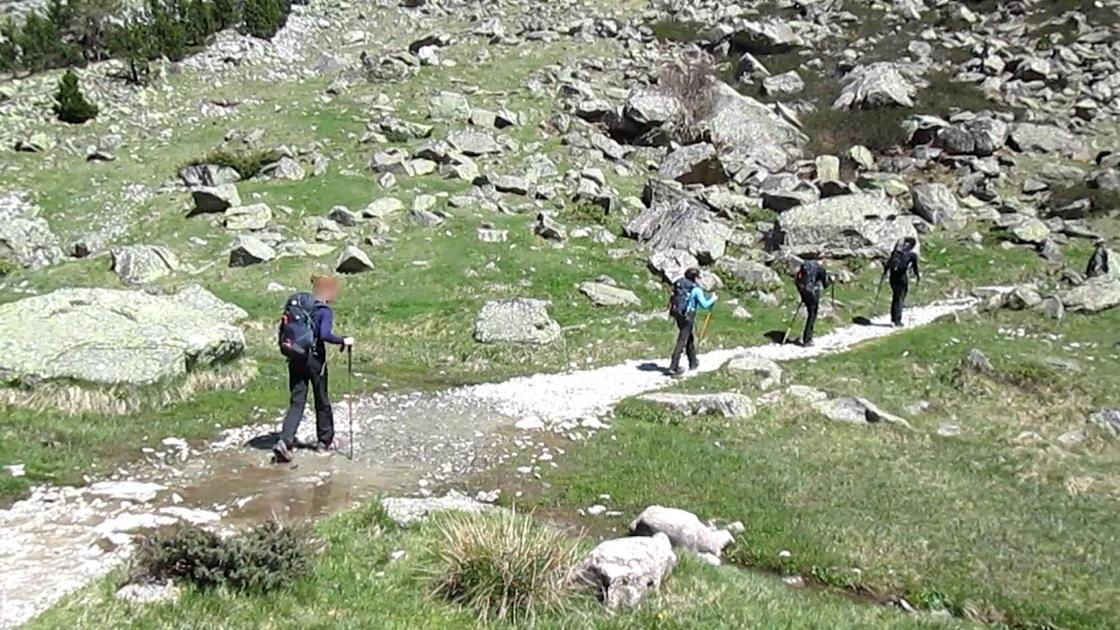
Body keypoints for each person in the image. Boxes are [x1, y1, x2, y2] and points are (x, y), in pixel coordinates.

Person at [273, 275, 354, 463]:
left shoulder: (302, 307)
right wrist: (343, 340)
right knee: (321, 399)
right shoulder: (324, 311)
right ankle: (324, 442)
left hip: (295, 356)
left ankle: (285, 441)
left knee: (297, 401)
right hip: (315, 360)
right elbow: (324, 335)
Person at [667, 267, 717, 376]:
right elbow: (705, 305)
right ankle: (673, 367)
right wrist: (713, 298)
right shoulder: (695, 289)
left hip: (678, 314)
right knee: (682, 340)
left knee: (688, 337)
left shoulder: (679, 284)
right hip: (688, 316)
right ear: (695, 278)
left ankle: (693, 362)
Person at [883, 237, 921, 327]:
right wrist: (917, 276)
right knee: (900, 298)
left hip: (892, 277)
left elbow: (887, 264)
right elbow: (915, 268)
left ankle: (893, 318)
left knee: (895, 296)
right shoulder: (912, 255)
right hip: (902, 278)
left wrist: (885, 273)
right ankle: (897, 321)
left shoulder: (895, 253)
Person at [794, 255, 831, 347]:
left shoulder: (806, 265)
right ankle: (807, 339)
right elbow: (825, 284)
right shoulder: (820, 268)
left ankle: (807, 337)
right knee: (812, 314)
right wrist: (830, 280)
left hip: (803, 290)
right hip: (811, 293)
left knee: (810, 312)